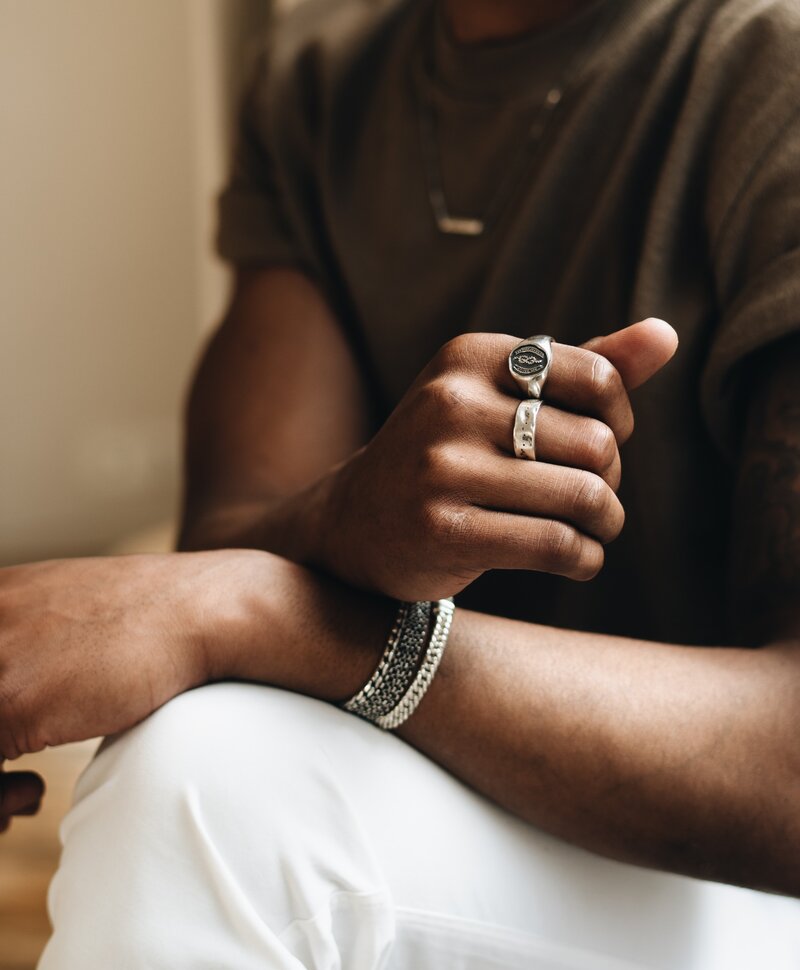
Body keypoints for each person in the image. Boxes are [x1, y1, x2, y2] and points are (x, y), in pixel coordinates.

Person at [1, 0, 799, 965]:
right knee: (201, 755)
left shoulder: (770, 61)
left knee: (202, 791)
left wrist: (249, 611)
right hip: (462, 805)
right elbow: (224, 535)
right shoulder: (324, 75)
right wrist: (340, 518)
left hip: (734, 885)